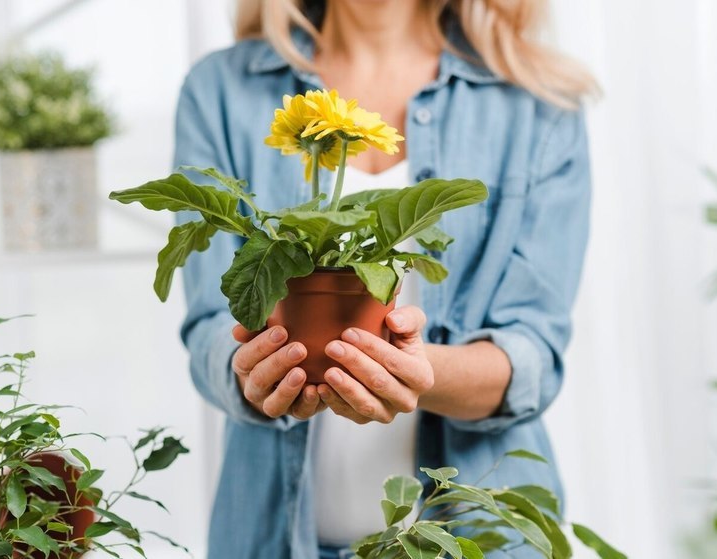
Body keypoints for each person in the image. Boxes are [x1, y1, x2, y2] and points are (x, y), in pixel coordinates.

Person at [173, 1, 596, 558]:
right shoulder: (222, 90)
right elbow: (212, 324)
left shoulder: (539, 101)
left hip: (482, 540)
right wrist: (252, 375)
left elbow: (532, 358)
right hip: (271, 539)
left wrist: (418, 373)